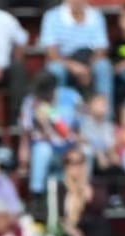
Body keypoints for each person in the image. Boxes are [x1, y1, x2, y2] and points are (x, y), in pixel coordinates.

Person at [18, 70, 83, 213]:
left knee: (85, 153)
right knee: (43, 150)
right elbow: (26, 134)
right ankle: (37, 196)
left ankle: (81, 195)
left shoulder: (71, 97)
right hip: (42, 149)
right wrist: (23, 163)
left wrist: (75, 146)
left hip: (68, 147)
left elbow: (75, 131)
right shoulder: (30, 102)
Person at [39, 0, 113, 113]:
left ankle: (106, 116)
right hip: (65, 62)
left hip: (89, 62)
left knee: (104, 66)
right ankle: (60, 118)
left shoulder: (97, 16)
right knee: (55, 69)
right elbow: (52, 53)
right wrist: (73, 66)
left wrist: (88, 69)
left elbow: (101, 49)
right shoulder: (51, 17)